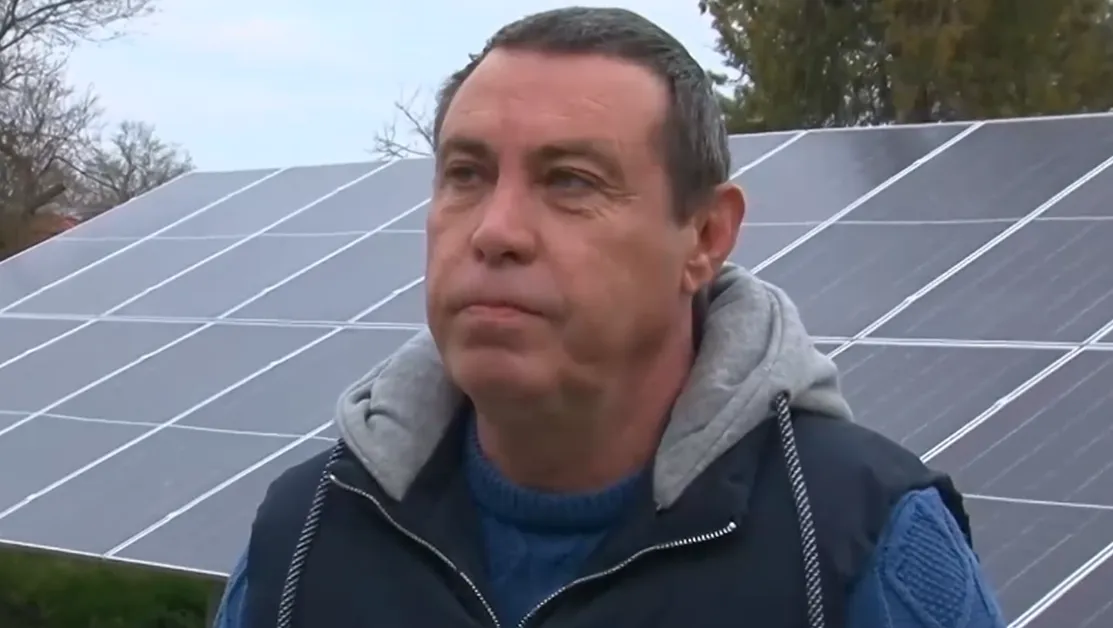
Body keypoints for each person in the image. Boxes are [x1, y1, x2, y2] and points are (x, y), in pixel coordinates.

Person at [213, 7, 1007, 628]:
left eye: (570, 181)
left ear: (704, 237)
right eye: (466, 174)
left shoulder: (853, 540)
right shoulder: (307, 533)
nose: (495, 231)